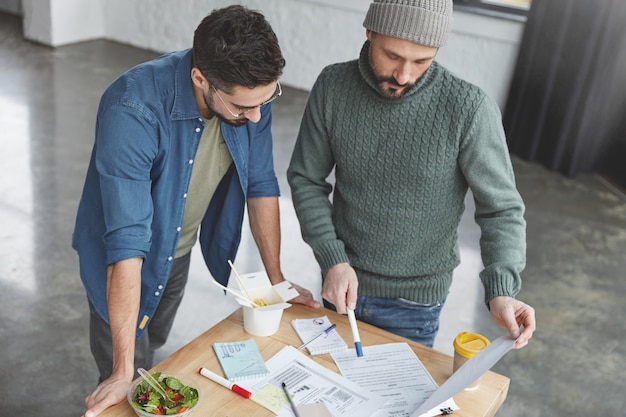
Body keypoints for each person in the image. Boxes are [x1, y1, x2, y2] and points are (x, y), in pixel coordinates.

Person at [73, 5, 320, 417]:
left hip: (179, 248)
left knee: (154, 343)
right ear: (200, 79)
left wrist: (277, 283)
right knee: (128, 373)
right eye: (244, 109)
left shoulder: (249, 94)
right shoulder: (131, 109)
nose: (257, 116)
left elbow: (260, 183)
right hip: (120, 262)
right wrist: (121, 370)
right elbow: (127, 244)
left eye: (267, 100)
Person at [287, 0, 535, 350]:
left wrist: (501, 291)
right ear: (369, 31)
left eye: (421, 61)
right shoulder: (333, 86)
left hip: (414, 307)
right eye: (392, 56)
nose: (404, 75)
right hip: (340, 283)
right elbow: (306, 179)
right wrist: (332, 258)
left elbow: (502, 209)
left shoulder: (469, 109)